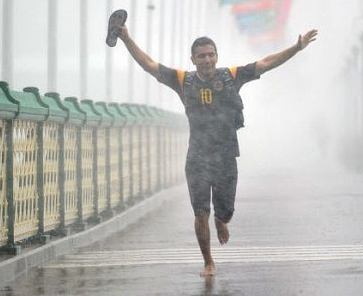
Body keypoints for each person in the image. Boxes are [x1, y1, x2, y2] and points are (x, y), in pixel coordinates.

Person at [115, 23, 318, 277]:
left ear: (217, 57)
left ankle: (221, 219)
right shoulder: (183, 80)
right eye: (201, 56)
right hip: (197, 158)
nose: (207, 59)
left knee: (224, 212)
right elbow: (149, 65)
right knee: (200, 213)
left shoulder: (231, 76)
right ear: (193, 60)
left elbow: (266, 63)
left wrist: (297, 48)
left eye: (211, 54)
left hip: (225, 158)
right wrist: (125, 38)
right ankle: (208, 262)